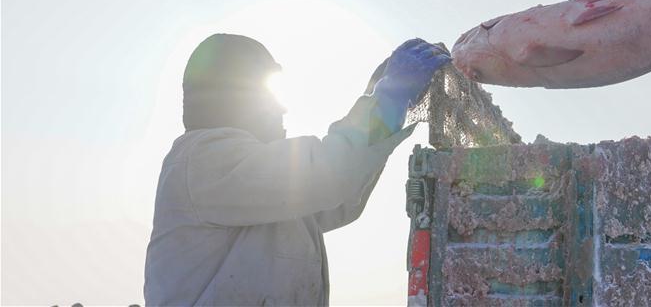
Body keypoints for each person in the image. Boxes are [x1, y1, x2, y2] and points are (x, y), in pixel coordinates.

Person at [144, 34, 450, 306]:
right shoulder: (202, 160)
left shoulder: (255, 183)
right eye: (267, 93)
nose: (281, 108)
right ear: (234, 97)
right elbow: (326, 174)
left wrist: (377, 97)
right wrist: (386, 98)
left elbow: (338, 200)